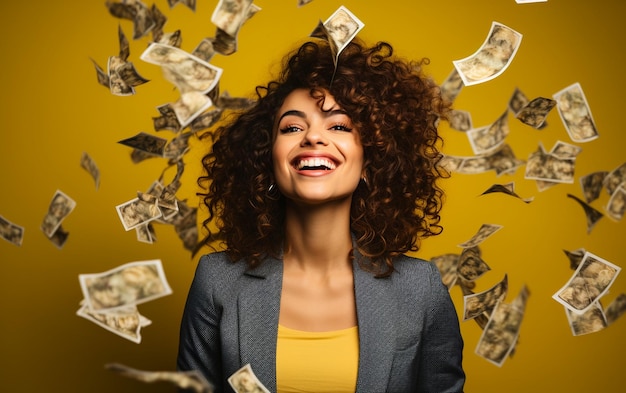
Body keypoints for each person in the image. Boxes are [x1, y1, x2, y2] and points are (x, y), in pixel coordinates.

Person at [177, 37, 465, 393]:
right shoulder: (217, 281)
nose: (313, 137)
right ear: (267, 159)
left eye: (340, 126)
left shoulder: (420, 288)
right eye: (292, 128)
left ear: (371, 161)